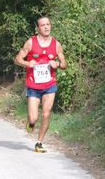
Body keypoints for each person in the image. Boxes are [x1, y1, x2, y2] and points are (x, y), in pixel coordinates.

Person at [14, 16, 67, 153]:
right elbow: (17, 59)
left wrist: (58, 64)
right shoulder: (30, 43)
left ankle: (39, 142)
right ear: (38, 28)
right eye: (43, 25)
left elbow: (64, 64)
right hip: (33, 85)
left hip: (50, 84)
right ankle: (30, 123)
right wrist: (27, 63)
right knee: (33, 117)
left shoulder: (56, 44)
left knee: (46, 113)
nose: (46, 27)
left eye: (48, 24)